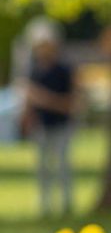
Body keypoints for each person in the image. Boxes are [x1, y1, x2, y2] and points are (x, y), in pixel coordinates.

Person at [22, 18, 77, 218]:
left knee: (62, 165)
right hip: (42, 126)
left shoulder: (64, 70)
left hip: (61, 125)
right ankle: (45, 204)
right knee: (43, 167)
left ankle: (66, 203)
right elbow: (29, 100)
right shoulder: (34, 70)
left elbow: (71, 102)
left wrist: (44, 99)